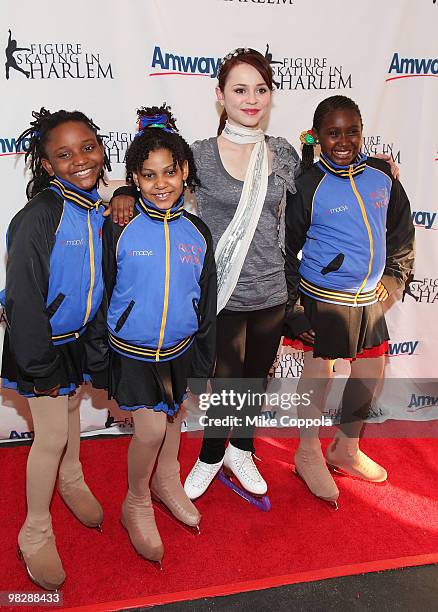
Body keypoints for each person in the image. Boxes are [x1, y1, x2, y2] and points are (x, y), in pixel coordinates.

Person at [110, 48, 300, 500]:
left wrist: (375, 166)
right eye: (239, 89)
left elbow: (308, 193)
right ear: (220, 95)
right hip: (222, 293)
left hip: (271, 291)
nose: (250, 99)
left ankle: (243, 448)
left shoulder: (285, 152)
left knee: (254, 380)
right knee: (225, 381)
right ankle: (214, 454)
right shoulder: (199, 154)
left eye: (260, 89)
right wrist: (121, 189)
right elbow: (159, 182)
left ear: (270, 95)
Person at [284, 95, 415, 507]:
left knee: (371, 368)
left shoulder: (382, 176)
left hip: (369, 298)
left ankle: (346, 447)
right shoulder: (307, 185)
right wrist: (294, 307)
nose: (344, 140)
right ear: (318, 137)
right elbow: (285, 249)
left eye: (352, 131)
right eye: (333, 133)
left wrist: (392, 280)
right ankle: (307, 453)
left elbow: (401, 234)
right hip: (322, 298)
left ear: (362, 131)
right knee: (319, 373)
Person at [1, 108, 111, 590]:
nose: (80, 160)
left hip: (73, 340)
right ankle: (34, 530)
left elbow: (92, 281)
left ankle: (71, 477)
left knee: (69, 413)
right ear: (46, 165)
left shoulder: (96, 205)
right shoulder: (39, 216)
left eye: (87, 147)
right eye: (63, 154)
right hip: (38, 344)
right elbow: (24, 299)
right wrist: (40, 363)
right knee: (48, 436)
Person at [102, 105, 216, 565]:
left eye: (170, 172)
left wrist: (203, 358)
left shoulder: (198, 230)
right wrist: (97, 352)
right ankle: (136, 500)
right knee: (149, 429)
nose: (161, 183)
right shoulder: (121, 226)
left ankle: (167, 480)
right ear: (134, 178)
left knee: (172, 419)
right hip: (132, 350)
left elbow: (204, 297)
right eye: (148, 175)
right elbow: (103, 288)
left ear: (184, 171)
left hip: (178, 349)